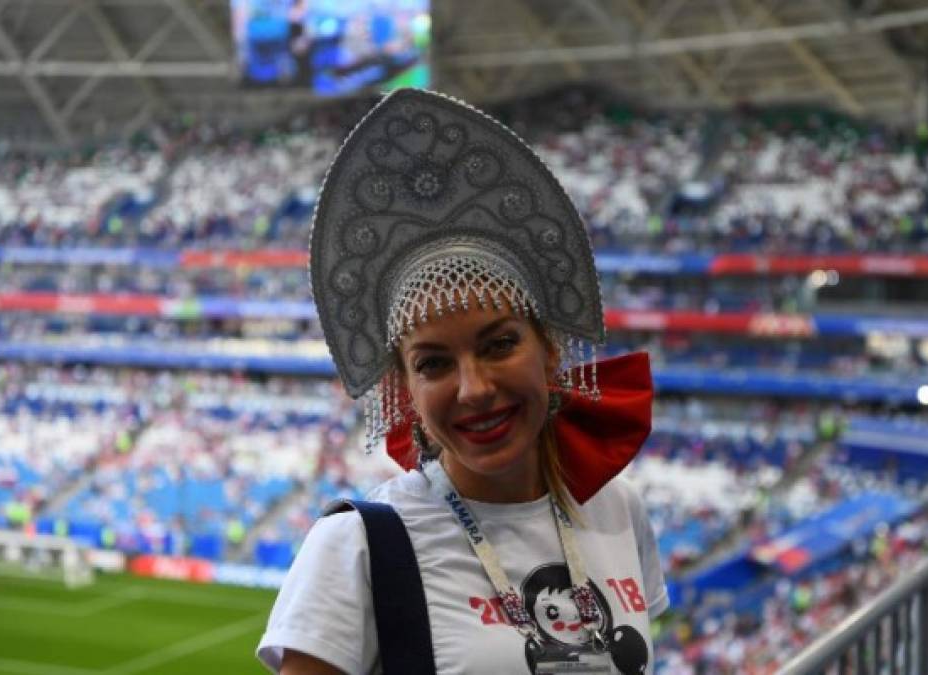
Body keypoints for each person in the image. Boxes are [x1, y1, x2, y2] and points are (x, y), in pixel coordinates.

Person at [257, 88, 668, 674]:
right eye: (433, 364)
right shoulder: (357, 548)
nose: (473, 388)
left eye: (499, 344)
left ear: (550, 353)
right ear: (405, 392)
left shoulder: (617, 508)